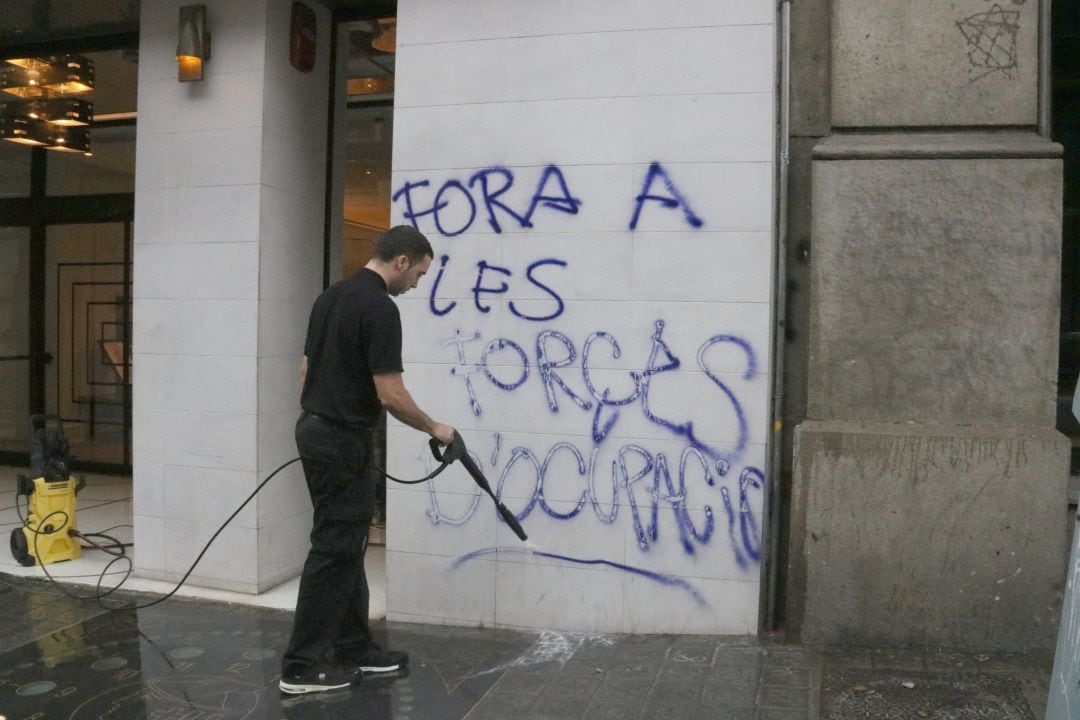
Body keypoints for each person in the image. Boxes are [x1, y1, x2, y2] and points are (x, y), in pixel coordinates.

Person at [279, 225, 455, 695]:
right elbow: (391, 394)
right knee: (334, 549)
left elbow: (305, 370)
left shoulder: (330, 297)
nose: (417, 283)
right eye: (418, 273)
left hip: (318, 430)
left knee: (347, 543)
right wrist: (436, 427)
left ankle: (354, 646)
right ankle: (300, 666)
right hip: (339, 439)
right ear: (402, 261)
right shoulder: (380, 307)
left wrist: (324, 413)